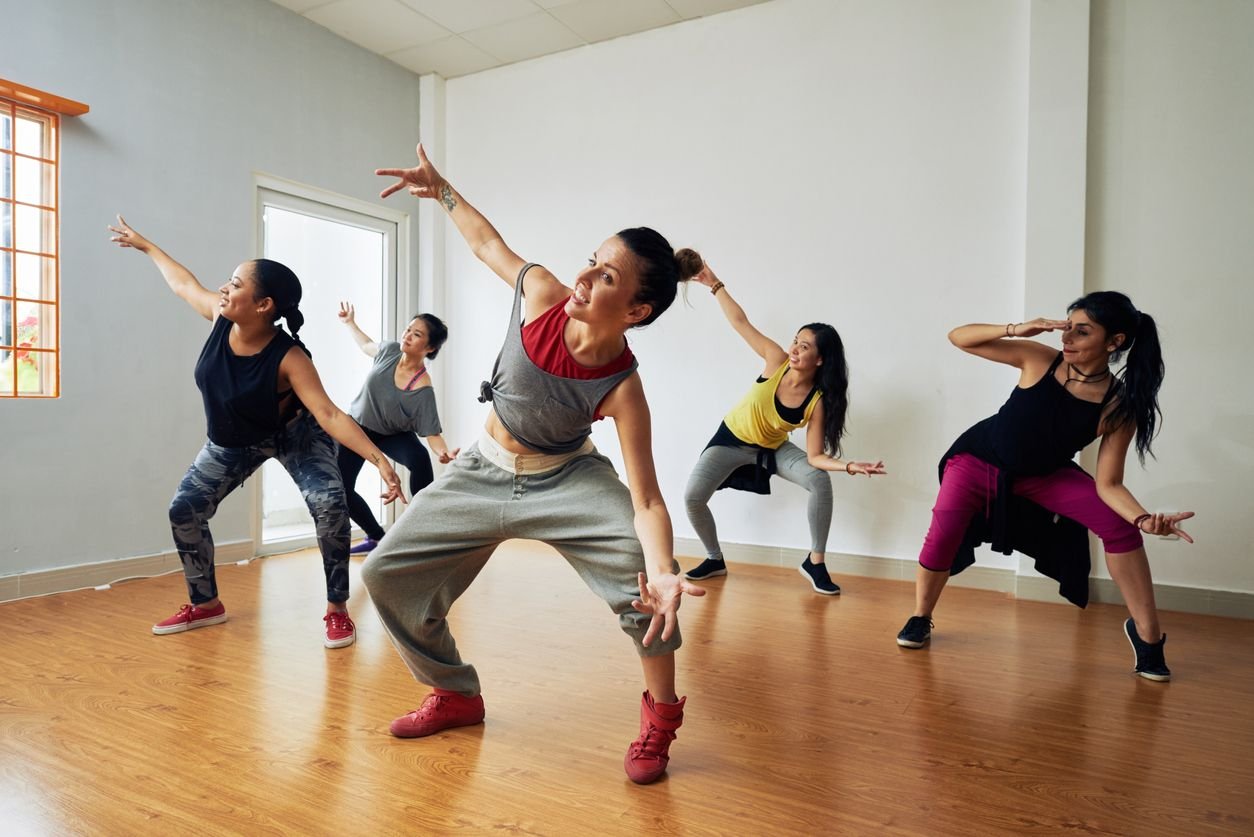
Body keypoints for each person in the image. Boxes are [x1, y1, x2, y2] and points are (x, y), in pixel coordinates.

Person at [361, 144, 705, 784]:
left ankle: (661, 716)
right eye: (592, 261)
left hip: (567, 478)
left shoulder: (623, 385)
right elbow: (489, 245)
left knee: (648, 594)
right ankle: (455, 692)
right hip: (484, 467)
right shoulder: (543, 294)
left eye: (606, 277)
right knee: (385, 573)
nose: (585, 276)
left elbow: (648, 500)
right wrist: (442, 191)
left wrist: (663, 567)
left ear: (635, 312)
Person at [108, 216, 404, 649]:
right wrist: (147, 246)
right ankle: (205, 604)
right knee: (184, 509)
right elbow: (184, 284)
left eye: (234, 283)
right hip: (233, 441)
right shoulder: (220, 320)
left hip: (295, 435)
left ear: (264, 305)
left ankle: (337, 610)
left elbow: (327, 412)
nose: (224, 289)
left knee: (330, 504)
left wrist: (379, 459)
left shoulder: (288, 356)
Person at [895, 292, 1194, 682]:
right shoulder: (1038, 359)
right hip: (977, 460)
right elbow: (958, 337)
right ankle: (921, 616)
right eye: (1067, 328)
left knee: (1119, 526)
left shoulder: (1119, 406)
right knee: (944, 533)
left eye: (1081, 332)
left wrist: (1141, 519)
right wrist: (1017, 329)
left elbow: (1110, 483)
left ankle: (1148, 637)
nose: (1067, 338)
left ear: (1114, 342)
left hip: (1045, 474)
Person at [681, 264, 886, 594]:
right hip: (730, 440)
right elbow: (740, 322)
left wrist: (848, 466)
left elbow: (817, 457)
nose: (794, 348)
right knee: (692, 498)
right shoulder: (775, 360)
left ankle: (815, 562)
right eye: (796, 340)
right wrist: (713, 283)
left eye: (804, 346)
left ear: (820, 360)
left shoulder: (816, 401)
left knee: (818, 480)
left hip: (771, 449)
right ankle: (714, 559)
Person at [336, 303, 458, 553]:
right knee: (340, 486)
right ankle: (376, 537)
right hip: (357, 427)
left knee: (420, 458)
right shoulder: (390, 351)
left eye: (416, 334)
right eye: (408, 329)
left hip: (392, 434)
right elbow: (366, 345)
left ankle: (424, 530)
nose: (407, 335)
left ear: (429, 348)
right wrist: (350, 323)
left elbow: (432, 433)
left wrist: (442, 452)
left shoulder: (422, 386)